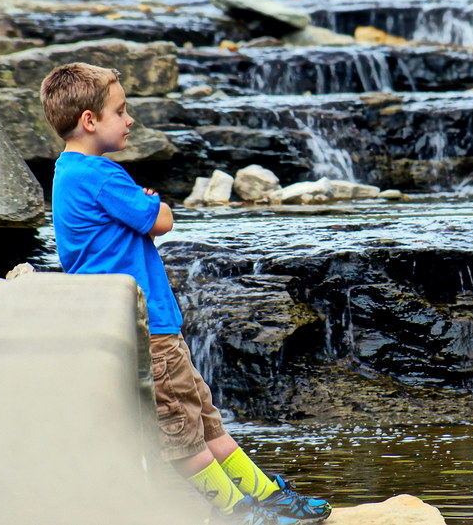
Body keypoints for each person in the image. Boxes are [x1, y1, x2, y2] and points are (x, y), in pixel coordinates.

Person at [40, 62, 331, 525]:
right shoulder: (100, 174)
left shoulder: (68, 172)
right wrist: (154, 204)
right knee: (182, 434)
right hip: (147, 331)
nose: (130, 119)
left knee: (205, 421)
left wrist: (144, 206)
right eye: (120, 111)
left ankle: (265, 496)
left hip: (147, 328)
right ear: (90, 121)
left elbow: (129, 224)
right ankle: (240, 512)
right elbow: (163, 220)